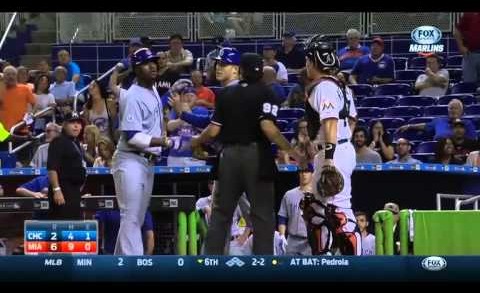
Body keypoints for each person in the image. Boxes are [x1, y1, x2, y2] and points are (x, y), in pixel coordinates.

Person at [191, 52, 302, 255]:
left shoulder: (225, 94)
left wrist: (196, 142)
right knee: (262, 215)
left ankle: (210, 263)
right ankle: (263, 264)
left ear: (240, 70)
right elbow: (268, 128)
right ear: (261, 73)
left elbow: (213, 131)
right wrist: (293, 152)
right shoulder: (268, 93)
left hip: (229, 157)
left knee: (221, 214)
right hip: (256, 155)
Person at [302, 35, 361, 255]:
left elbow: (330, 121)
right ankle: (323, 259)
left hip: (334, 153)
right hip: (340, 148)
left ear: (312, 61)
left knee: (339, 212)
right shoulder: (341, 86)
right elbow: (352, 120)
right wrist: (333, 143)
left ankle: (356, 265)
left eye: (308, 60)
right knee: (316, 210)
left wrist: (328, 158)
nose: (306, 64)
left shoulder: (324, 86)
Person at [112, 48, 171, 256]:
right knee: (131, 216)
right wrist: (161, 141)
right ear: (137, 69)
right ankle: (133, 267)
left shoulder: (152, 89)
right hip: (130, 159)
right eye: (147, 63)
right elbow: (132, 136)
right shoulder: (135, 95)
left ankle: (118, 265)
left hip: (147, 161)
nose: (153, 65)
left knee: (135, 216)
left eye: (154, 61)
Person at [47, 112, 87, 220]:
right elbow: (52, 168)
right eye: (72, 123)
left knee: (74, 227)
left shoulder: (76, 143)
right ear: (64, 125)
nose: (76, 126)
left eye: (78, 123)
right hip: (63, 191)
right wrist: (57, 190)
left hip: (74, 191)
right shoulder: (58, 141)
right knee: (63, 227)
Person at [278, 164, 314, 255]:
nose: (304, 174)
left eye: (307, 172)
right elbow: (282, 217)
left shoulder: (318, 195)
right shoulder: (289, 194)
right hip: (292, 240)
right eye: (301, 172)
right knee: (288, 267)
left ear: (312, 174)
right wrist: (282, 235)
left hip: (310, 240)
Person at [167, 87, 208, 167]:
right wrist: (183, 117)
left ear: (196, 99)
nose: (189, 98)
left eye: (192, 96)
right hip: (175, 156)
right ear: (182, 98)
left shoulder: (202, 110)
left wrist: (186, 113)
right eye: (186, 95)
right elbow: (169, 127)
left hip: (195, 156)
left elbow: (204, 129)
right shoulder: (175, 109)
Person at [398, 99, 476, 141]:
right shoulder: (440, 121)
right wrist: (409, 126)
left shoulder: (467, 124)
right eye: (451, 108)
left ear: (461, 111)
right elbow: (425, 126)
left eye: (456, 108)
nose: (453, 110)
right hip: (438, 150)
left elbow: (471, 140)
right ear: (448, 110)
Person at [0, 66, 36, 133]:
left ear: (16, 76)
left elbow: (34, 105)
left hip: (21, 128)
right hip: (3, 131)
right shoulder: (1, 90)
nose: (11, 77)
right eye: (8, 74)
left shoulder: (25, 88)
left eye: (13, 74)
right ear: (4, 76)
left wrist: (28, 118)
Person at [454, 12, 480, 87]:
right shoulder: (469, 14)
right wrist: (461, 46)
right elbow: (457, 31)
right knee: (469, 85)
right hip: (470, 55)